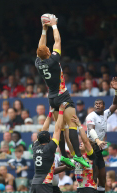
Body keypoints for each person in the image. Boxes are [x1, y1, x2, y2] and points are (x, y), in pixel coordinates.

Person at [10, 103, 66, 193]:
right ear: (48, 139)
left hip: (34, 182)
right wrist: (60, 112)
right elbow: (58, 128)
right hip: (45, 183)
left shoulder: (35, 147)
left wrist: (49, 115)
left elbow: (43, 130)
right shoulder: (50, 148)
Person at [35, 17, 89, 169]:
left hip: (51, 97)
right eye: (48, 49)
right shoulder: (52, 61)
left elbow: (41, 46)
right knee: (71, 124)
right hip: (62, 95)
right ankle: (78, 156)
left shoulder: (38, 63)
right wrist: (54, 26)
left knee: (61, 127)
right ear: (48, 52)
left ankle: (64, 157)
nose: (49, 48)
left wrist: (43, 30)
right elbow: (57, 42)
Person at [85, 77, 117, 193]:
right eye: (96, 104)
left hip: (98, 149)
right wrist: (98, 141)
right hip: (90, 148)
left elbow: (116, 104)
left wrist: (116, 90)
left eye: (100, 104)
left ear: (104, 106)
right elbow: (91, 130)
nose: (98, 105)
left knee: (103, 178)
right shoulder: (90, 116)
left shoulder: (106, 114)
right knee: (93, 177)